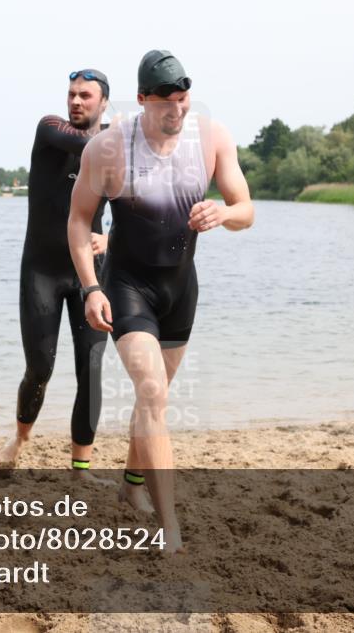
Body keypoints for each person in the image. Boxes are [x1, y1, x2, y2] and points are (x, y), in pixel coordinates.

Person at [68, 50, 254, 550]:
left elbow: (246, 209)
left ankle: (133, 486)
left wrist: (223, 213)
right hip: (127, 285)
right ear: (142, 99)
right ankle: (169, 525)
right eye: (166, 100)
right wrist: (91, 288)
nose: (177, 109)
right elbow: (79, 220)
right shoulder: (108, 150)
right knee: (152, 391)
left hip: (180, 288)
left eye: (183, 98)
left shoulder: (212, 138)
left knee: (154, 398)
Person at [0, 69, 111, 472]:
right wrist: (130, 137)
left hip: (89, 276)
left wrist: (110, 239)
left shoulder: (114, 147)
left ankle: (81, 469)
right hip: (41, 272)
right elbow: (85, 143)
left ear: (103, 102)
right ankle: (20, 438)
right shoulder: (50, 129)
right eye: (72, 94)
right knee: (40, 368)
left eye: (85, 96)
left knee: (91, 372)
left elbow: (137, 206)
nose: (76, 101)